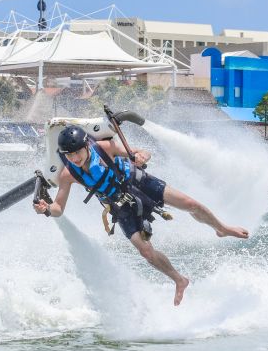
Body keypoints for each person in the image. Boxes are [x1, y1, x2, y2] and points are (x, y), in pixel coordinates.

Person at [34, 124, 248, 306]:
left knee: (190, 204)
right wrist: (47, 208)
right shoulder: (68, 174)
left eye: (77, 153)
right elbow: (59, 208)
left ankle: (221, 228)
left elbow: (140, 153)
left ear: (86, 146)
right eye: (69, 155)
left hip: (139, 182)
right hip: (119, 205)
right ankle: (179, 280)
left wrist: (141, 155)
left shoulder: (104, 148)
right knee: (145, 251)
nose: (74, 158)